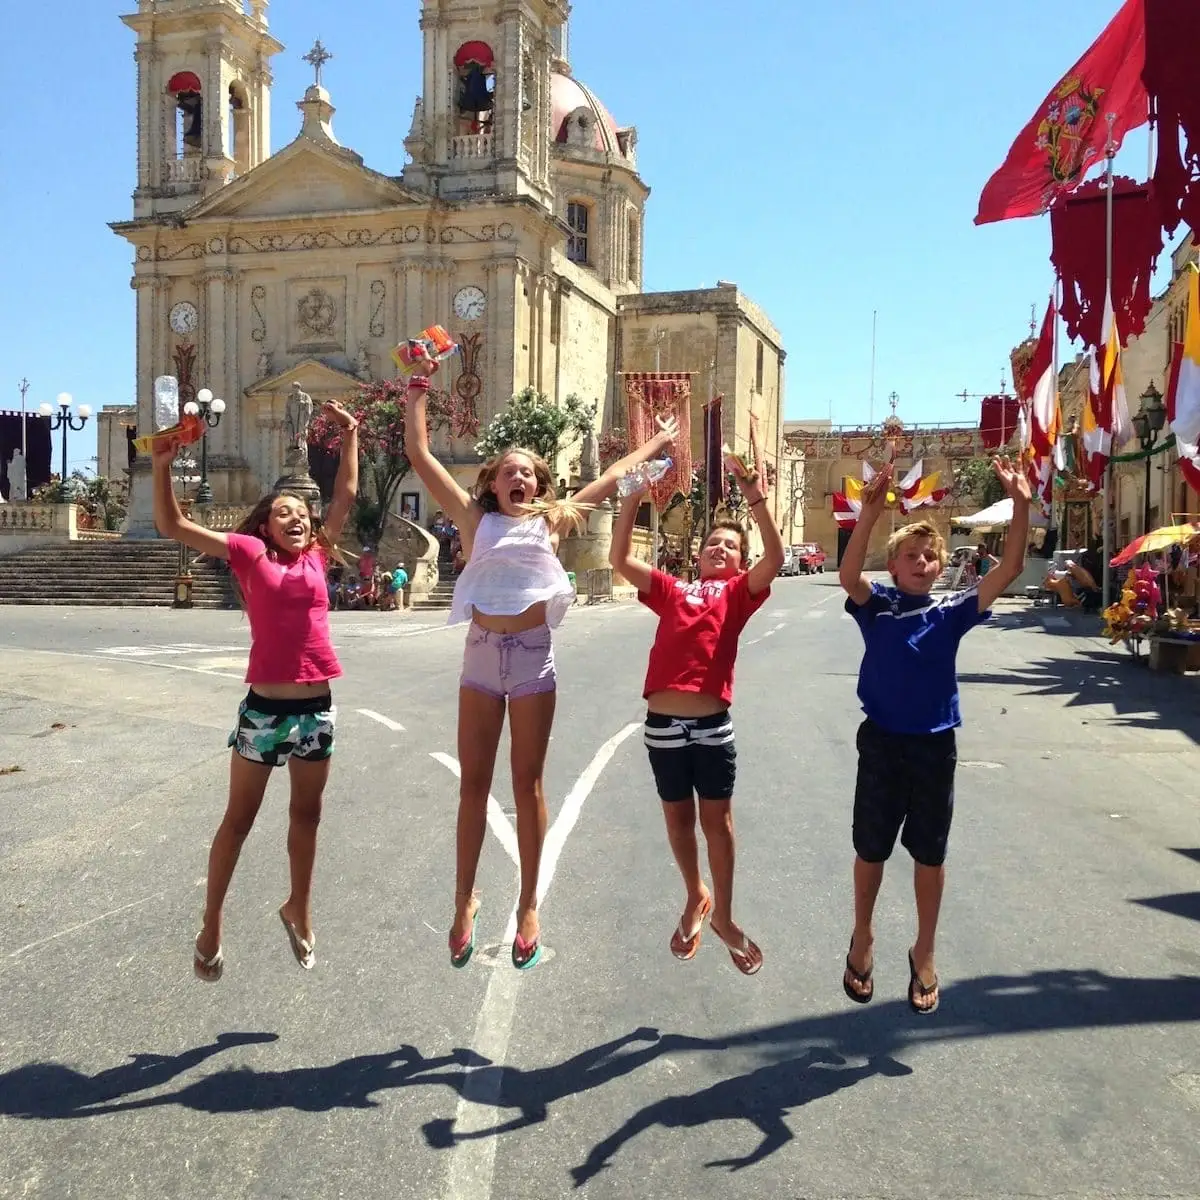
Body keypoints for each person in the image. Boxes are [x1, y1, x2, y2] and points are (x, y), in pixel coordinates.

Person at [402, 348, 678, 970]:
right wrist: (417, 388)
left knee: (527, 786)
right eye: (508, 473)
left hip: (531, 659)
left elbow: (613, 477)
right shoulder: (473, 519)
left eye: (528, 473)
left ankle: (528, 903)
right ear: (492, 484)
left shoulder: (554, 521)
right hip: (480, 658)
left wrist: (657, 441)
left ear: (541, 485)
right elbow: (420, 455)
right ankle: (463, 899)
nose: (518, 479)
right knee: (473, 787)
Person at [151, 400, 360, 982]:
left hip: (317, 709)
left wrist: (351, 438)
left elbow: (343, 495)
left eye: (301, 513)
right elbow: (174, 528)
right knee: (238, 820)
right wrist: (165, 466)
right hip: (265, 712)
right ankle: (212, 921)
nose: (295, 519)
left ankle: (299, 908)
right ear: (264, 526)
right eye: (283, 513)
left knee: (307, 816)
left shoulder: (320, 553)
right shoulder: (250, 554)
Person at [838, 457, 1030, 1014]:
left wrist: (1019, 504)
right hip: (880, 742)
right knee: (870, 848)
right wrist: (868, 516)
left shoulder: (951, 612)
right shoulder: (881, 607)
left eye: (930, 557)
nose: (921, 563)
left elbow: (1009, 568)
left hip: (933, 747)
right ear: (893, 567)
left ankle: (924, 950)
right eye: (911, 557)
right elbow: (850, 579)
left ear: (941, 566)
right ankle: (864, 934)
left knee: (930, 854)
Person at [610, 455, 783, 976]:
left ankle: (725, 917)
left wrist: (755, 497)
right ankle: (695, 895)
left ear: (738, 562)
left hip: (710, 727)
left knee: (718, 823)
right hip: (662, 727)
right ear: (699, 555)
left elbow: (774, 557)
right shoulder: (673, 590)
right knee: (677, 820)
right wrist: (634, 495)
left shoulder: (737, 594)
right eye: (712, 543)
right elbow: (620, 558)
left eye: (730, 546)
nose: (719, 548)